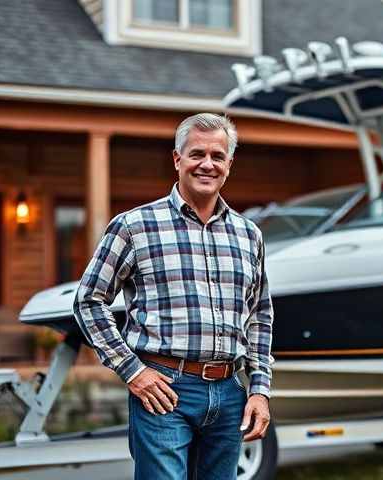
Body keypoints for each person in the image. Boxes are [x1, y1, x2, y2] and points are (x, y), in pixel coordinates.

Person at [73, 113, 273, 480]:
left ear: (229, 164)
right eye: (197, 154)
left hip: (230, 393)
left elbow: (259, 314)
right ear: (178, 159)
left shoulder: (249, 235)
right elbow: (88, 300)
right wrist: (132, 371)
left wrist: (259, 389)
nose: (207, 164)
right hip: (164, 390)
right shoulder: (134, 226)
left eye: (217, 156)